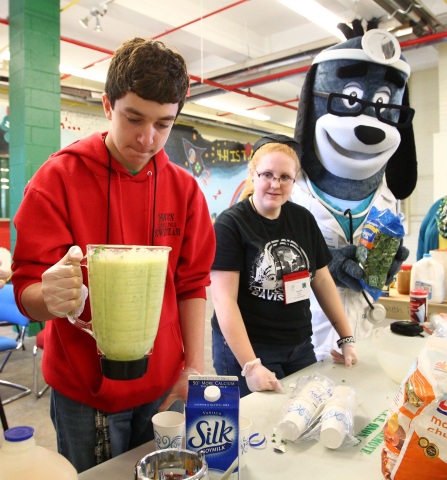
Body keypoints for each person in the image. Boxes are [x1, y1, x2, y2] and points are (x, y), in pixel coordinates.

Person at [11, 38, 215, 473]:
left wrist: (193, 365)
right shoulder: (57, 180)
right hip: (86, 393)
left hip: (164, 385)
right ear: (107, 105)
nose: (147, 138)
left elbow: (192, 283)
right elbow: (26, 288)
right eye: (133, 118)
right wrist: (46, 295)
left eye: (164, 124)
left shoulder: (185, 191)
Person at [210, 142, 358, 398]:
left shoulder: (303, 219)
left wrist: (346, 338)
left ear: (294, 180)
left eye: (285, 177)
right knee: (257, 429)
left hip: (299, 344)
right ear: (253, 174)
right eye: (267, 174)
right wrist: (251, 365)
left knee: (304, 416)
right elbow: (224, 301)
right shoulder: (231, 224)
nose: (275, 184)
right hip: (249, 347)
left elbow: (322, 281)